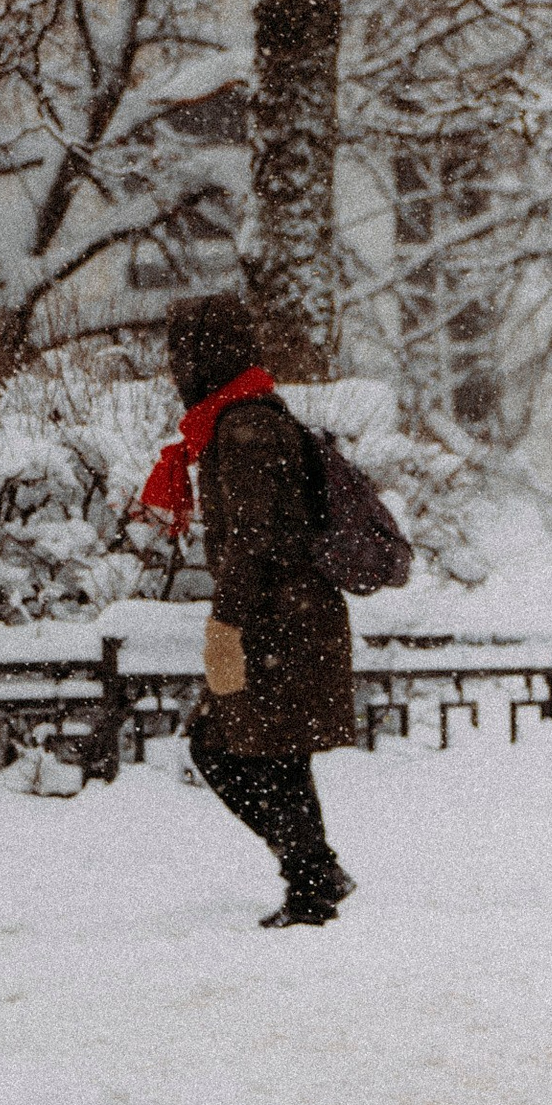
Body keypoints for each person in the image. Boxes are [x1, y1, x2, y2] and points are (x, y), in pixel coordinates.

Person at [140, 294, 357, 928]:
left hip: (277, 617)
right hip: (283, 613)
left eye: (185, 350)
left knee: (234, 748)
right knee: (264, 751)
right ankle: (314, 877)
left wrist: (226, 623)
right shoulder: (237, 420)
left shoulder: (245, 430)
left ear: (212, 354)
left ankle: (314, 876)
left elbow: (255, 540)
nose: (178, 364)